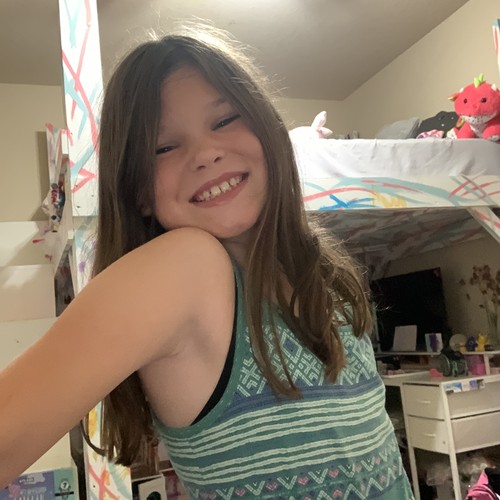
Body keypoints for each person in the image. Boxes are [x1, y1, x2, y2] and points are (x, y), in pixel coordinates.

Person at [0, 26, 414, 499]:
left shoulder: (323, 272)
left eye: (224, 120)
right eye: (164, 147)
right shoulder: (189, 267)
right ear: (139, 191)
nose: (206, 153)